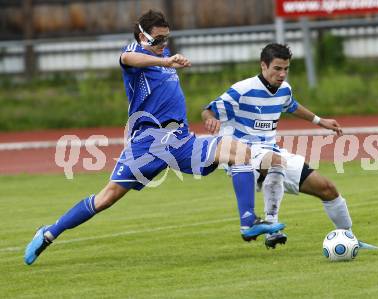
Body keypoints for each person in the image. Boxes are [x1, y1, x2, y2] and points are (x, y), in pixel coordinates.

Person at [24, 11, 284, 265]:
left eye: (166, 39)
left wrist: (167, 58)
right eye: (157, 39)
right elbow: (129, 57)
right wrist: (165, 61)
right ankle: (49, 232)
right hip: (146, 145)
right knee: (106, 198)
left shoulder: (164, 54)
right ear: (141, 36)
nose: (163, 44)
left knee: (239, 151)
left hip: (181, 141)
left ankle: (248, 221)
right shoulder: (135, 57)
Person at [202, 43, 378, 249]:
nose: (282, 74)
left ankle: (350, 238)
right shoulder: (243, 90)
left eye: (286, 69)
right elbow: (209, 110)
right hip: (243, 153)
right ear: (263, 66)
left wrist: (320, 121)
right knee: (278, 162)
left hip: (272, 151)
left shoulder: (284, 89)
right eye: (277, 68)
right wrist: (210, 119)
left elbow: (291, 105)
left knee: (327, 189)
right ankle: (272, 226)